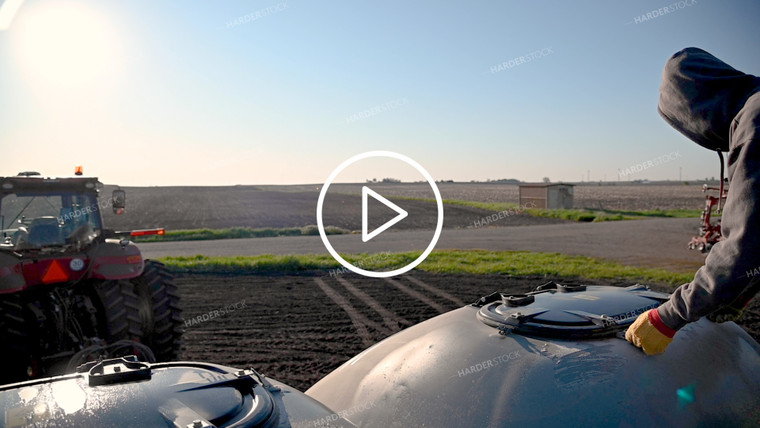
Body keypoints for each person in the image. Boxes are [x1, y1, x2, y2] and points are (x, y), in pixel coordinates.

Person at [626, 47, 760, 355]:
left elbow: (748, 244)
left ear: (696, 109)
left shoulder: (756, 123)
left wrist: (668, 317)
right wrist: (730, 298)